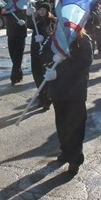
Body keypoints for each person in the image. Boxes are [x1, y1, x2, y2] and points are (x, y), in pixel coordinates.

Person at [42, 29, 93, 175]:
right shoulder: (53, 38)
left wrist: (60, 72)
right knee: (62, 124)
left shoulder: (83, 39)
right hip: (58, 91)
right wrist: (52, 57)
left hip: (75, 91)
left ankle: (75, 159)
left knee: (76, 126)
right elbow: (42, 54)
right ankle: (65, 151)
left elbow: (84, 63)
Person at [27, 2, 56, 110]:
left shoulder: (52, 21)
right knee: (37, 75)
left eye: (44, 9)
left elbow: (53, 35)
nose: (41, 11)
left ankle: (47, 99)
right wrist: (29, 14)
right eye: (40, 9)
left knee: (46, 76)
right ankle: (42, 95)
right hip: (35, 52)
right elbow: (29, 25)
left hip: (47, 53)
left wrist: (44, 38)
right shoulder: (37, 20)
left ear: (48, 11)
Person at [0, 0, 28, 85]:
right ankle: (19, 74)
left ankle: (14, 77)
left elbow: (30, 18)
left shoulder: (23, 8)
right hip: (11, 34)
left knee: (18, 57)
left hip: (21, 35)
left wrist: (24, 22)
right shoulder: (9, 9)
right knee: (13, 56)